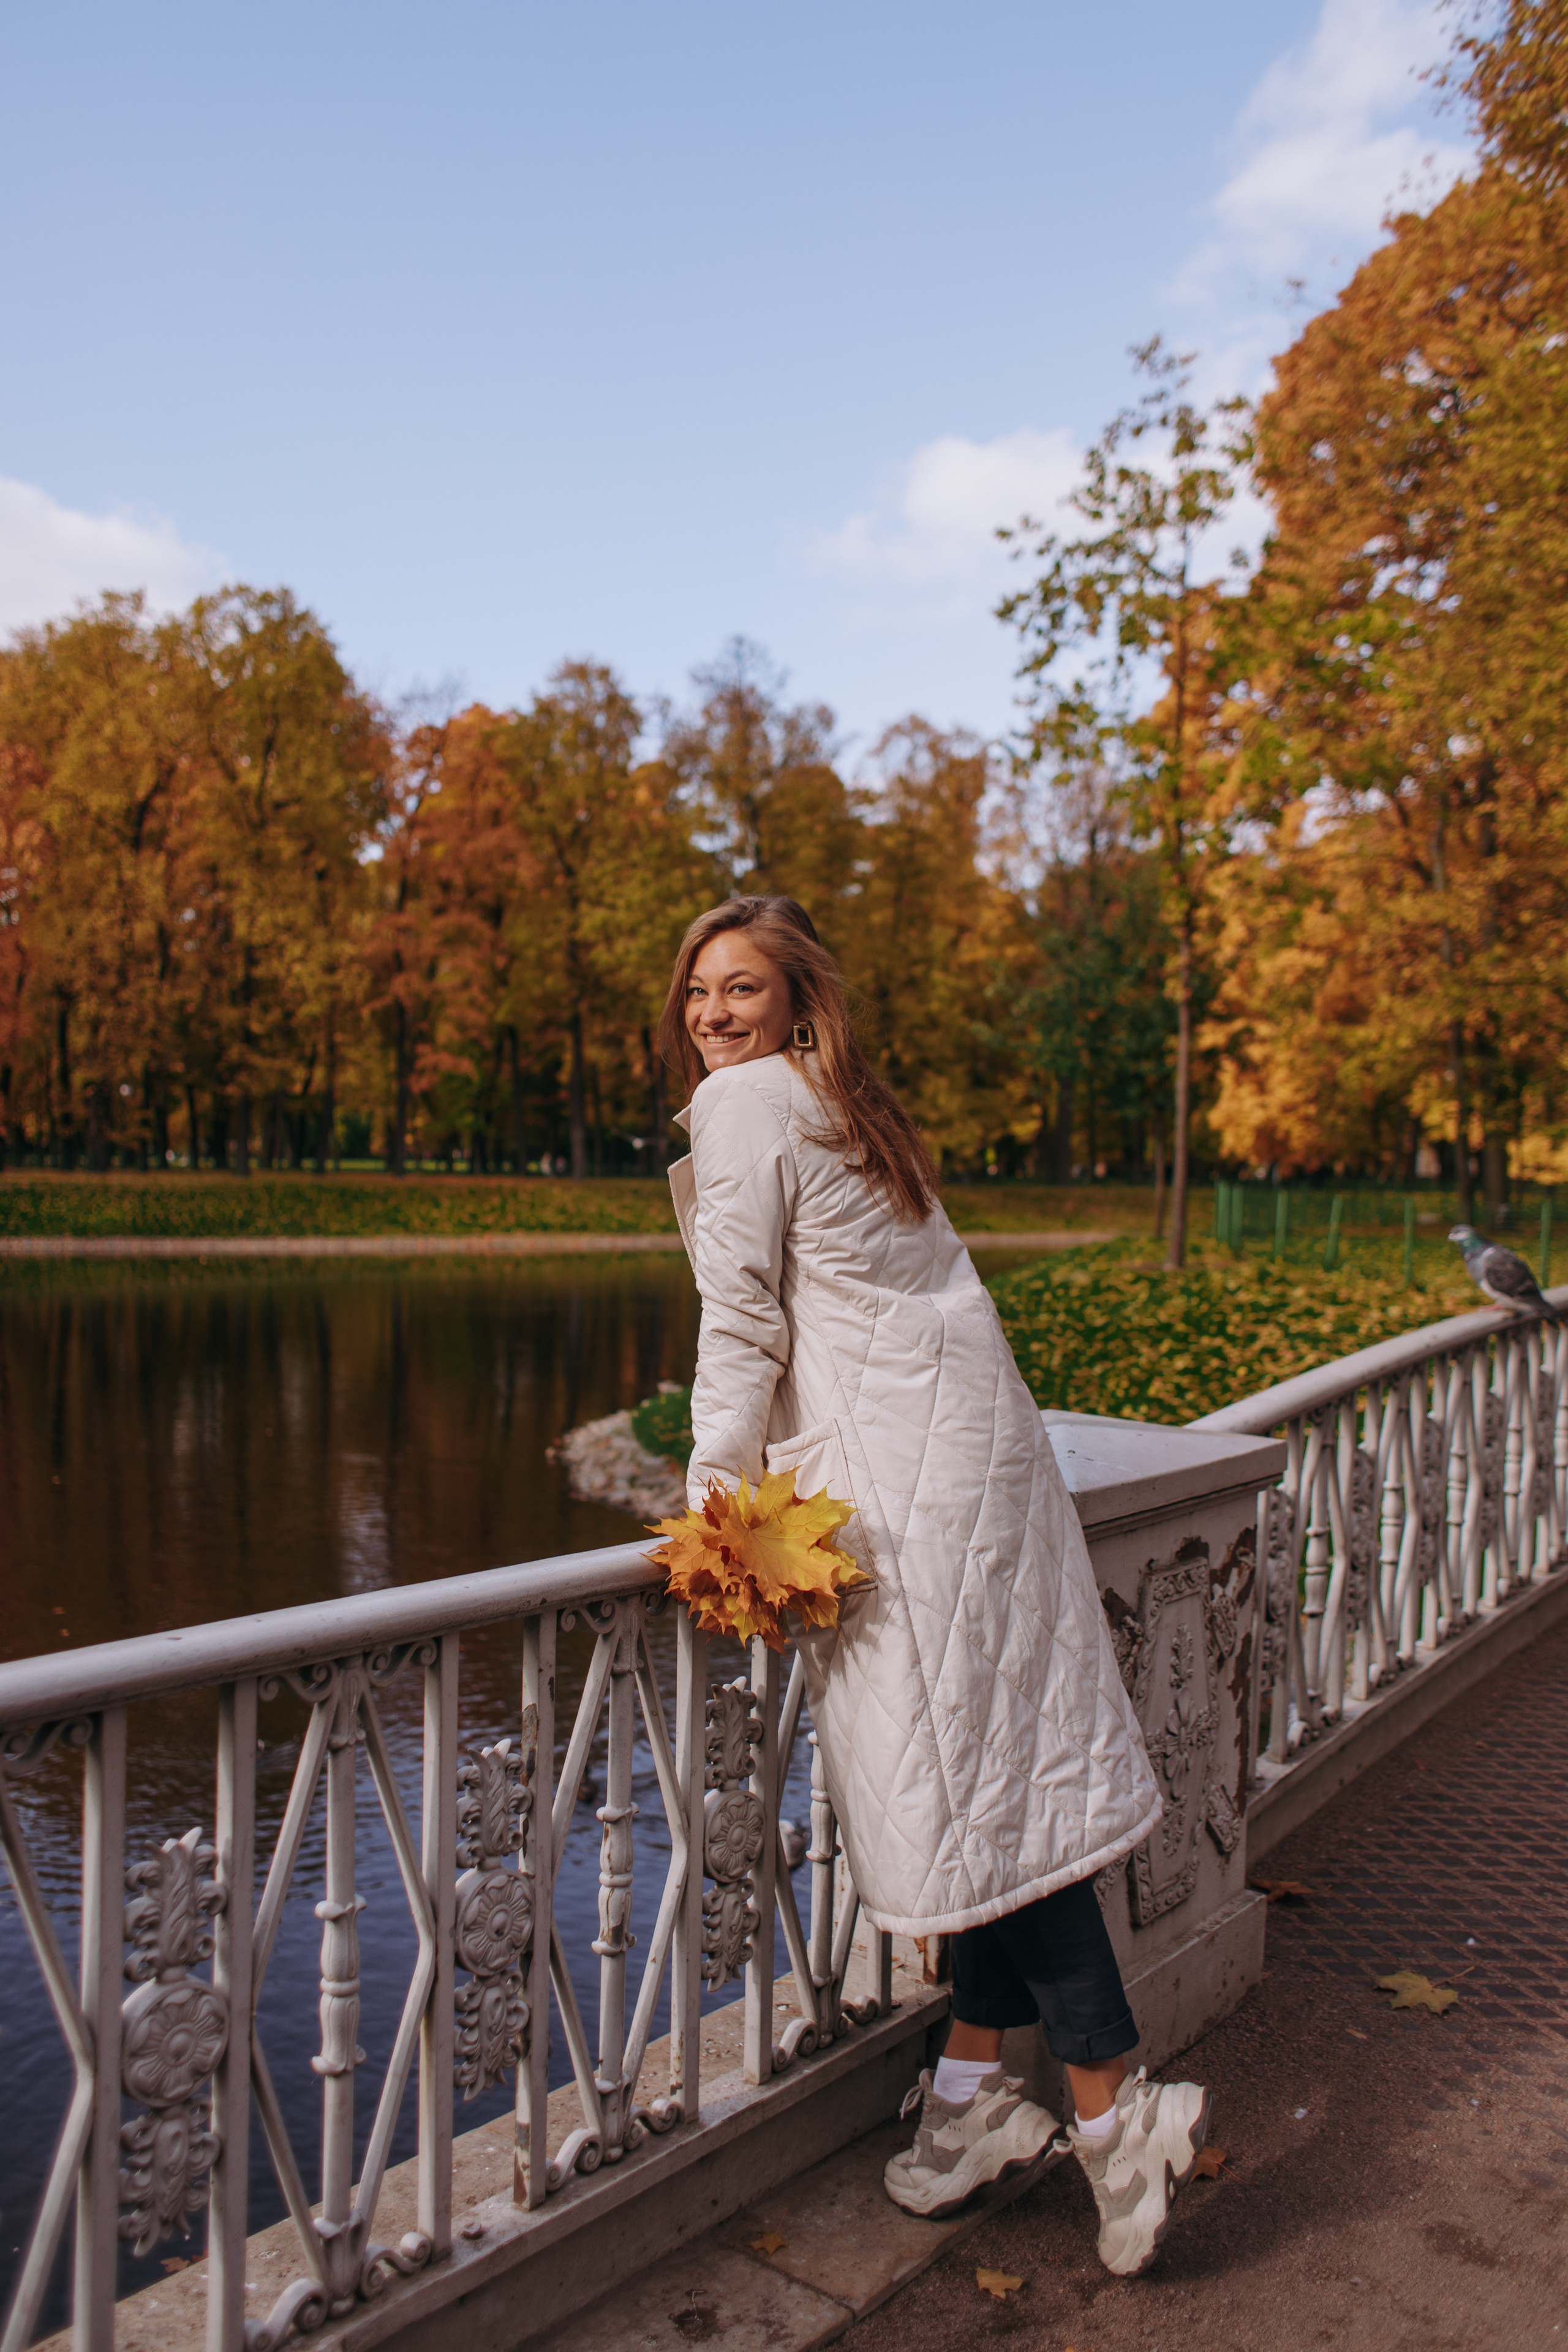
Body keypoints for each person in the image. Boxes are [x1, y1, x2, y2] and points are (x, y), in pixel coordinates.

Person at [658, 894, 1212, 2279]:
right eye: (696, 993)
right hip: (979, 1470)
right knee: (986, 1791)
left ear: (796, 1001)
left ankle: (1115, 2110)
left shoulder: (742, 1108)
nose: (712, 1014)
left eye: (741, 988)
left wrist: (711, 1492)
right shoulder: (844, 1100)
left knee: (979, 1806)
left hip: (896, 1498)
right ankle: (968, 2097)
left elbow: (740, 1317)